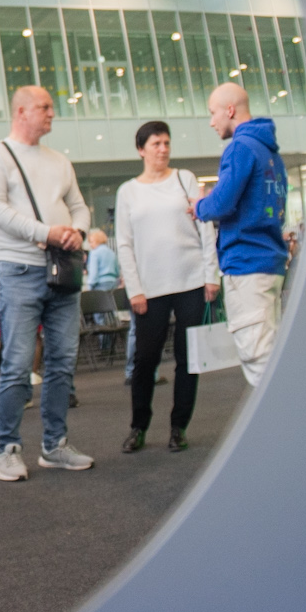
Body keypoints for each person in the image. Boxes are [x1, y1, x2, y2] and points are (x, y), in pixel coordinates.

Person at [0, 85, 95, 482]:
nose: (52, 113)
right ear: (21, 112)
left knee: (62, 362)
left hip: (63, 273)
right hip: (20, 272)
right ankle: (7, 450)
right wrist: (46, 233)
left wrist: (78, 231)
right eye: (44, 107)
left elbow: (79, 207)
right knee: (17, 364)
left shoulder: (59, 161)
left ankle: (54, 445)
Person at [114, 120, 219, 454]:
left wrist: (211, 275)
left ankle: (178, 427)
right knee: (145, 360)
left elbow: (205, 228)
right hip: (150, 288)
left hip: (191, 281)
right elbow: (124, 243)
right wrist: (134, 289)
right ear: (141, 150)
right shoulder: (128, 191)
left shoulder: (184, 178)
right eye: (156, 144)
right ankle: (138, 426)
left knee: (188, 359)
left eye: (166, 143)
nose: (163, 149)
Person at [193, 83, 290, 386]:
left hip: (246, 264)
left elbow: (222, 203)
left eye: (213, 113)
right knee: (272, 355)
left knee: (258, 360)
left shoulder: (240, 148)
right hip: (270, 263)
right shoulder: (270, 152)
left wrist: (198, 206)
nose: (212, 122)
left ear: (230, 110)